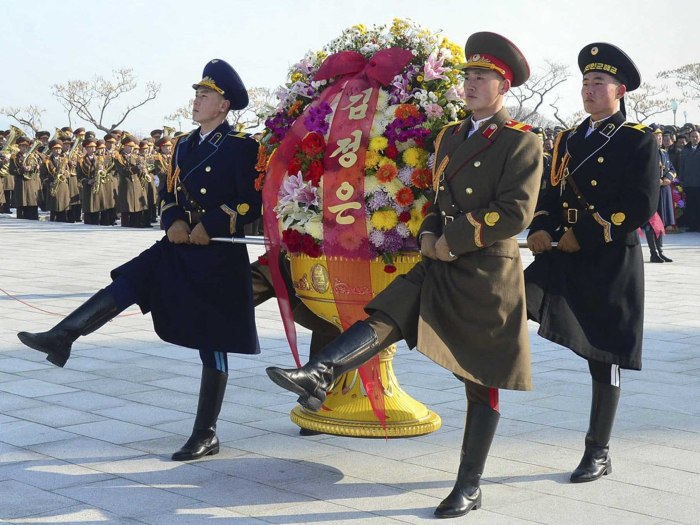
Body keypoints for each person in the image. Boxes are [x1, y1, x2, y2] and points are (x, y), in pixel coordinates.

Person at [266, 32, 542, 519]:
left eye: (482, 77)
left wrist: (453, 238)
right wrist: (430, 232)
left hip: (485, 273)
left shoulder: (521, 140)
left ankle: (469, 485)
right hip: (438, 261)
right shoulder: (450, 135)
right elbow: (437, 198)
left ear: (504, 87)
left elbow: (514, 212)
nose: (471, 84)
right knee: (386, 313)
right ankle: (320, 372)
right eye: (468, 76)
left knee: (480, 381)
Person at [18, 58, 262, 463]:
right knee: (130, 279)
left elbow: (251, 199)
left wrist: (214, 222)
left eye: (205, 95)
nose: (196, 100)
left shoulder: (242, 146)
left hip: (218, 251)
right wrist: (174, 220)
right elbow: (168, 193)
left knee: (214, 340)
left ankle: (205, 433)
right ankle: (63, 336)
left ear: (224, 105)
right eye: (196, 94)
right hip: (179, 243)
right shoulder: (183, 144)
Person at [525, 43, 659, 484]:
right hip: (562, 256)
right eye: (584, 82)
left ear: (620, 90)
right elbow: (551, 191)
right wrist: (540, 226)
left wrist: (582, 234)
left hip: (608, 260)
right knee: (508, 300)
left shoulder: (637, 138)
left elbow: (639, 205)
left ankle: (598, 451)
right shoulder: (567, 138)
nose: (589, 89)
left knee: (604, 357)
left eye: (598, 82)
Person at [644, 127, 676, 262]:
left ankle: (660, 251)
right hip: (652, 191)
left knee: (661, 222)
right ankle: (653, 252)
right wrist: (655, 180)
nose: (660, 139)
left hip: (664, 191)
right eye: (657, 136)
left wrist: (667, 178)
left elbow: (672, 169)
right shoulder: (645, 152)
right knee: (651, 222)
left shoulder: (663, 152)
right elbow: (642, 171)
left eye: (661, 136)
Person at [679, 128, 700, 231]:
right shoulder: (685, 149)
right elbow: (682, 166)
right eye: (692, 136)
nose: (694, 138)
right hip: (689, 182)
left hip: (699, 182)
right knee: (690, 204)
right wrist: (681, 180)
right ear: (689, 138)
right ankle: (692, 225)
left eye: (696, 136)